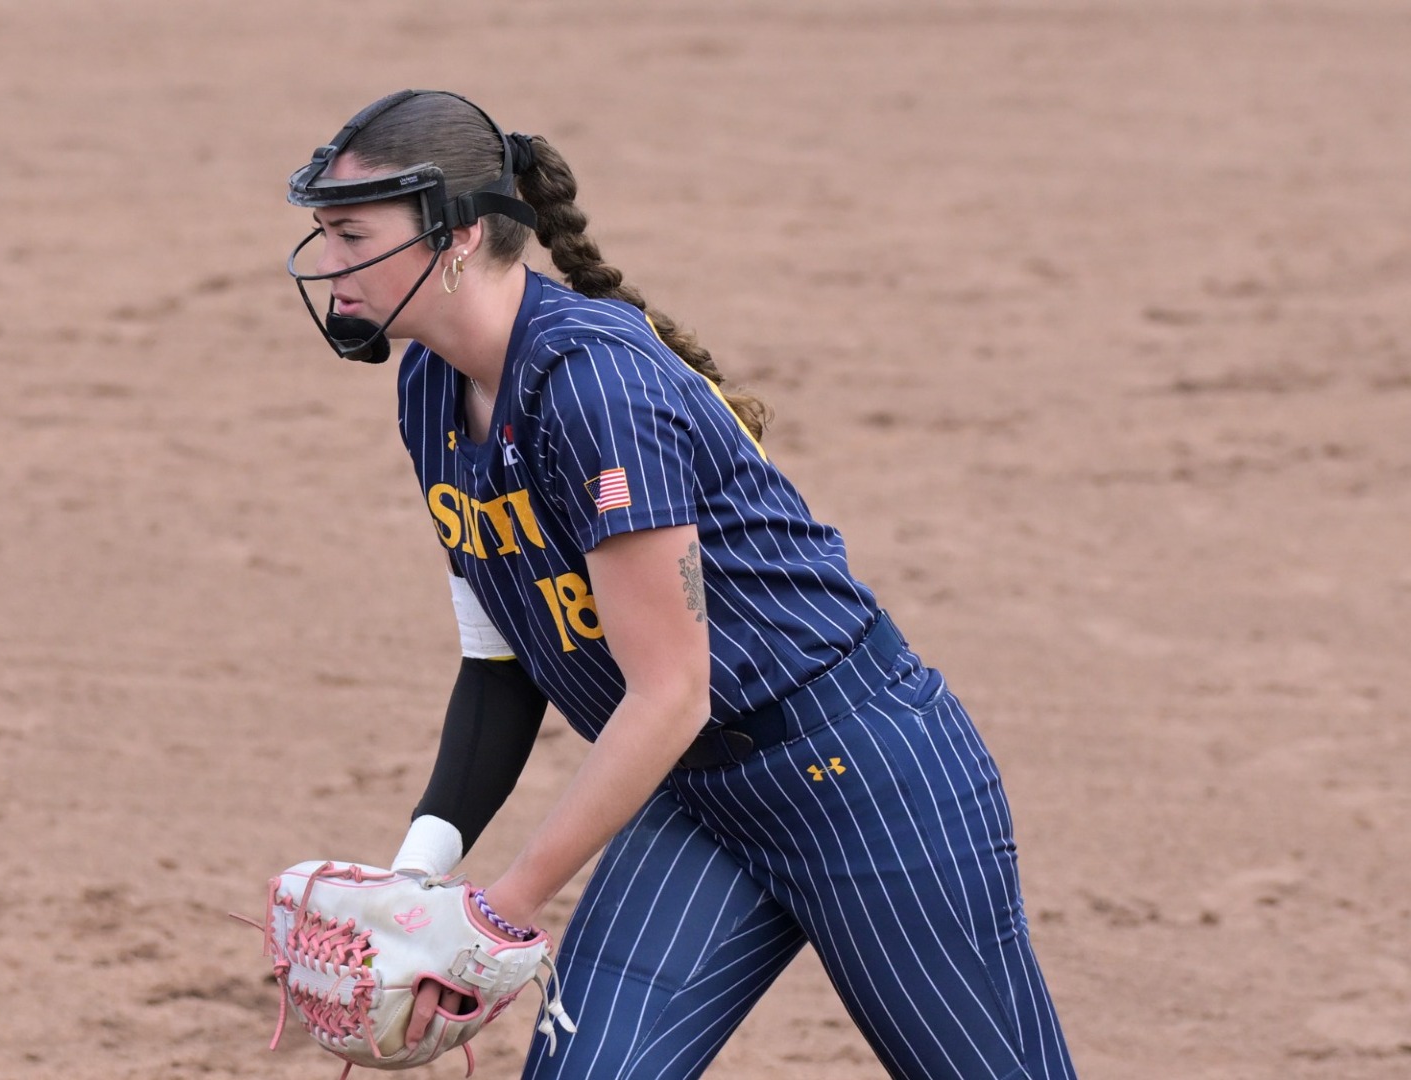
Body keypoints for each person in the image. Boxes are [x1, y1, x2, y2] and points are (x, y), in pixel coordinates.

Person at [282, 88, 1077, 1080]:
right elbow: (499, 665)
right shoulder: (432, 385)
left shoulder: (593, 389)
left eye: (352, 231)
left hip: (866, 782)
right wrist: (417, 878)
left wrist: (499, 912)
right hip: (700, 796)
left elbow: (670, 692)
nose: (329, 262)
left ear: (459, 234)